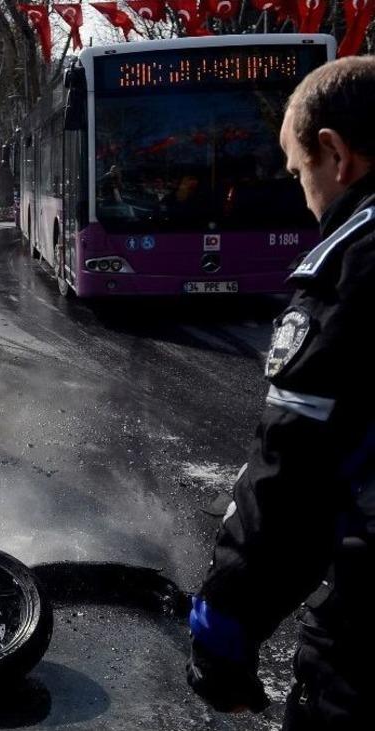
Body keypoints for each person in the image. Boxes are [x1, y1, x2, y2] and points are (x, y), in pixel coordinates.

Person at [187, 56, 375, 730]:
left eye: (299, 173)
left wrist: (221, 638)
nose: (303, 193)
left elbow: (292, 473)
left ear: (336, 154)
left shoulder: (353, 266)